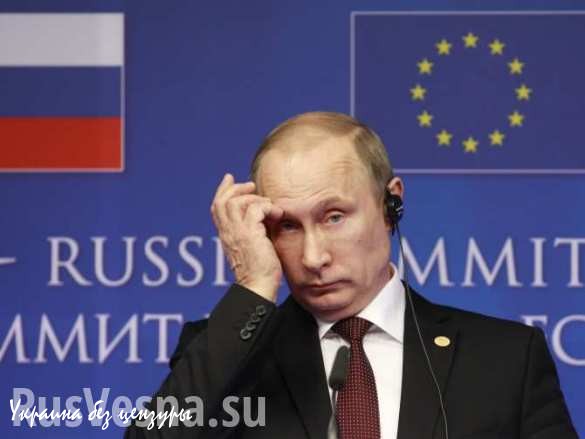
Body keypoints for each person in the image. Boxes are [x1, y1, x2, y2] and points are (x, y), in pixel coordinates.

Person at [126, 112, 578, 439]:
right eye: (288, 226)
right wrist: (254, 286)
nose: (313, 256)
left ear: (390, 204)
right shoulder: (228, 355)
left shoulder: (506, 359)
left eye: (334, 217)